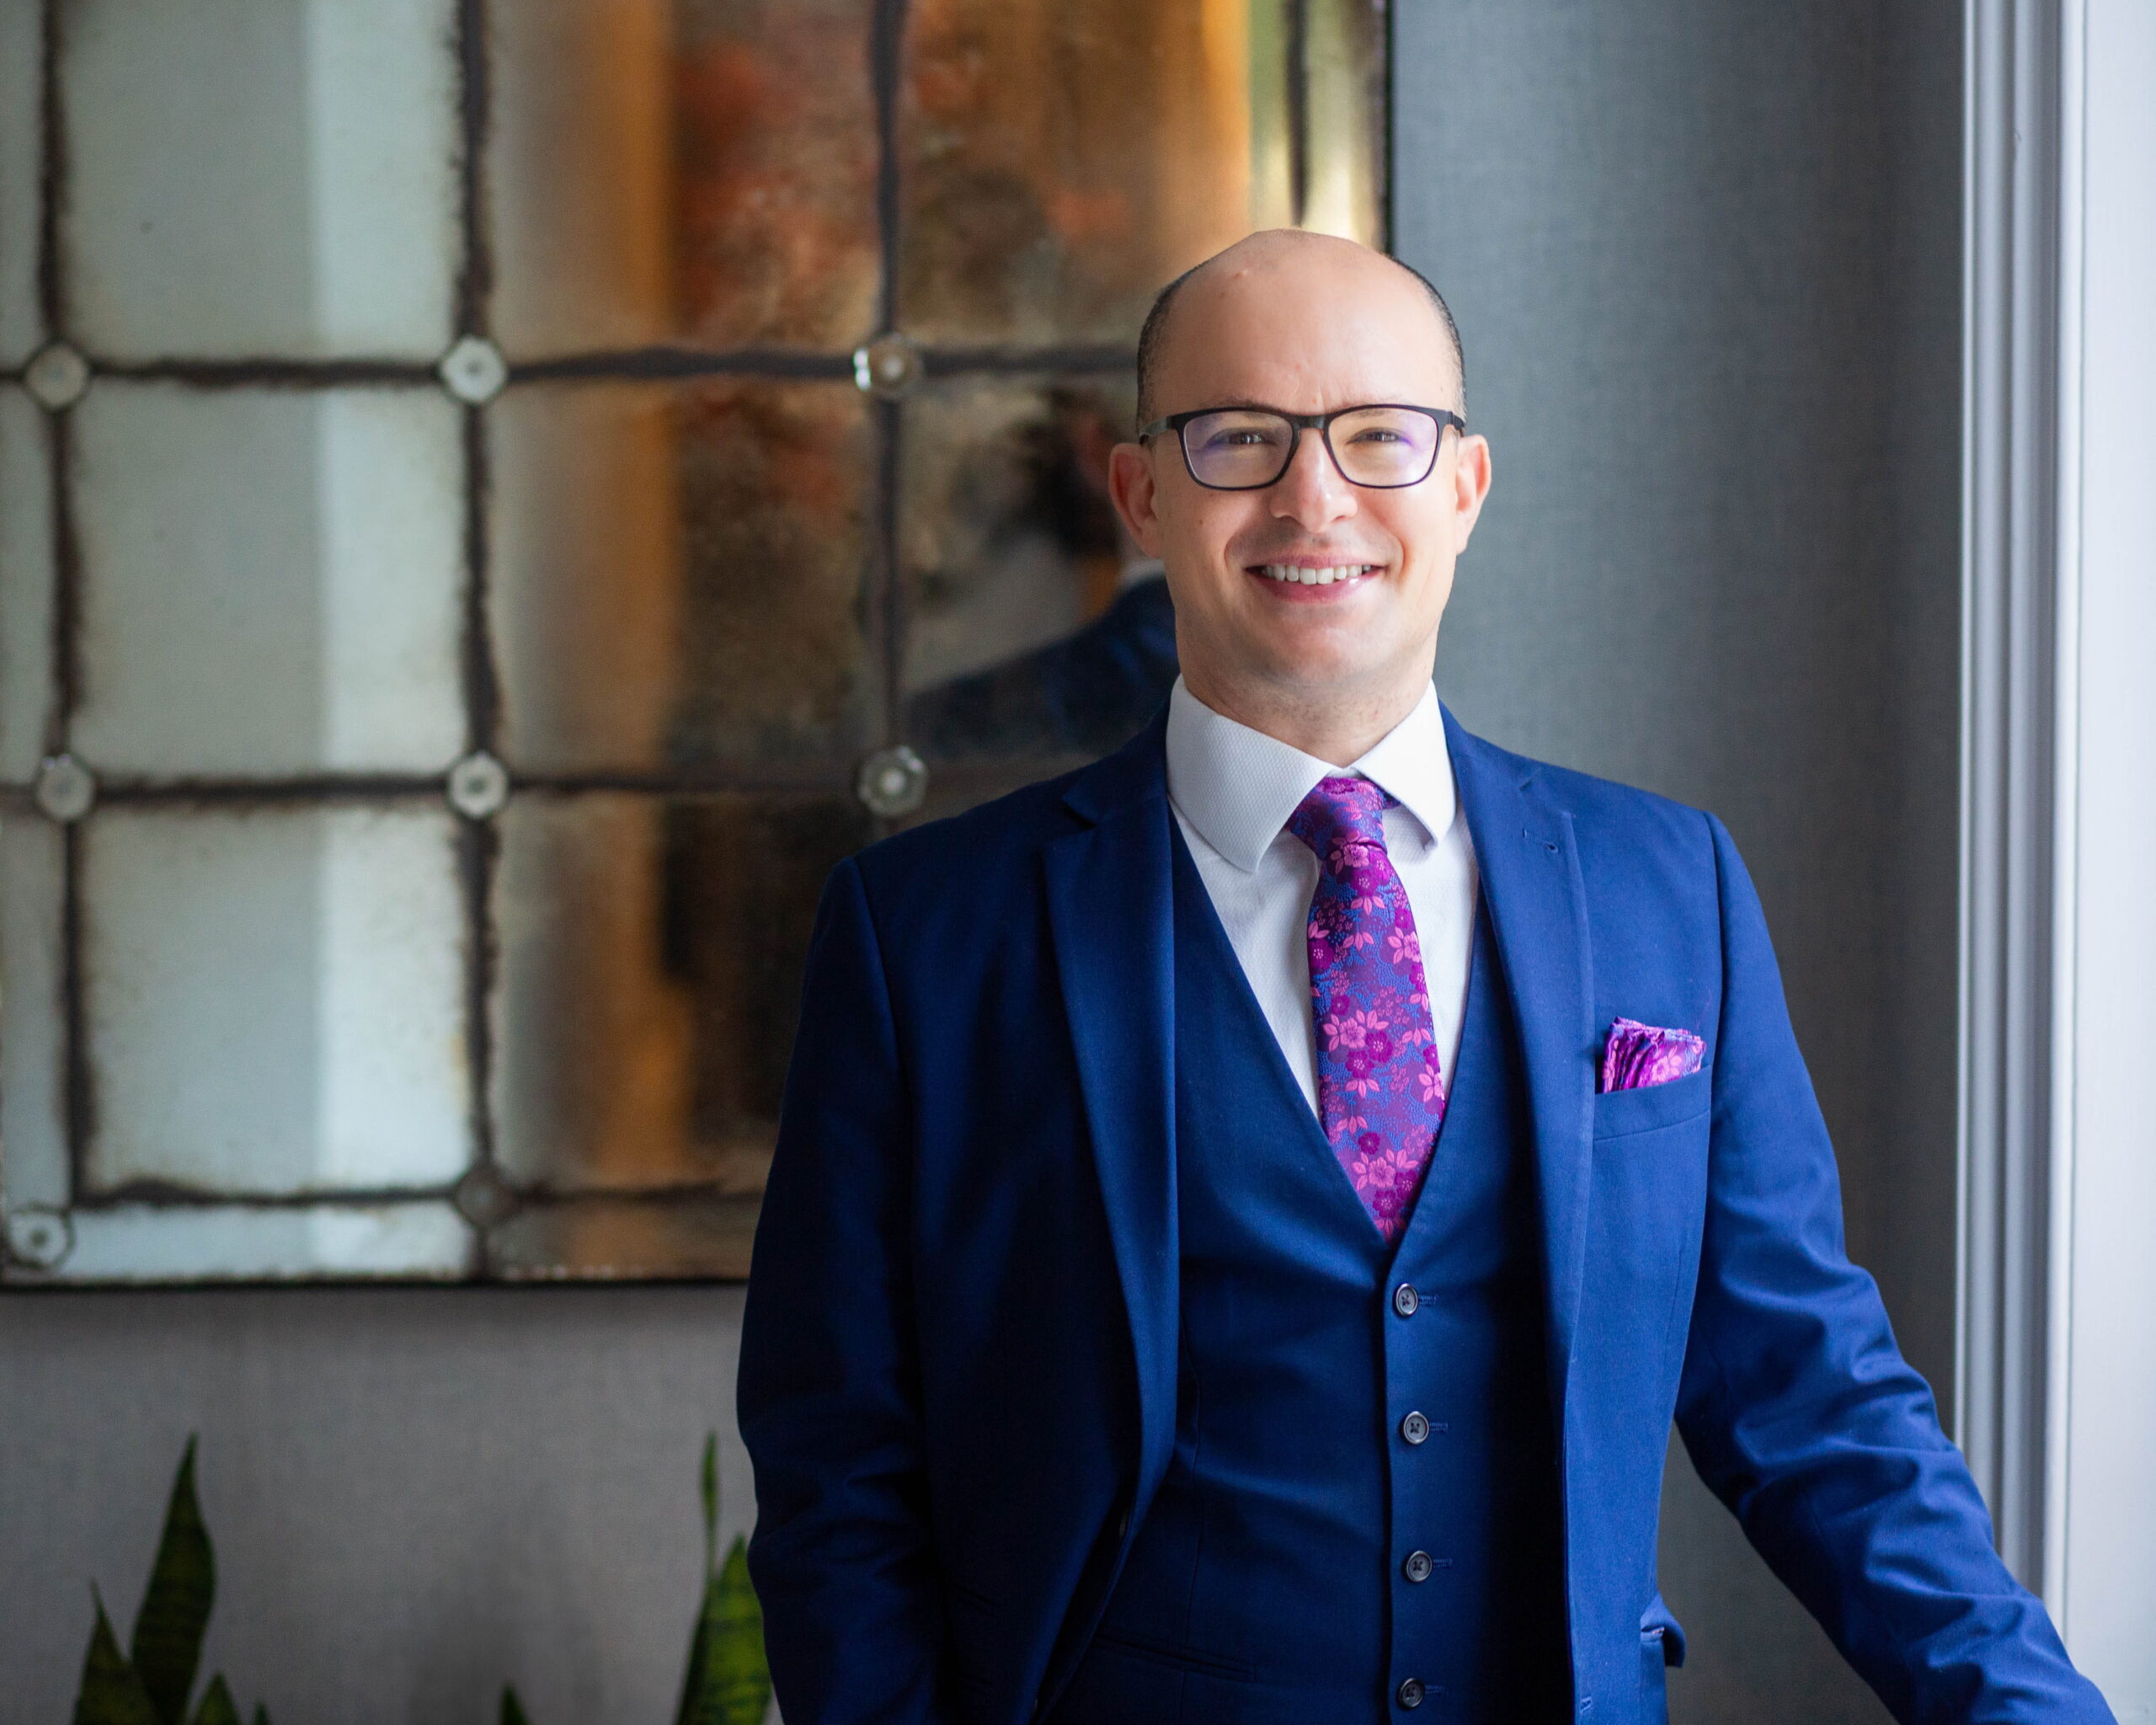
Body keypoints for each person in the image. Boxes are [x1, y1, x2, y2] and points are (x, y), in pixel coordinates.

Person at [738, 230, 2113, 1724]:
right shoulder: (922, 935)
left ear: (1464, 487)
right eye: (1239, 438)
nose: (1314, 498)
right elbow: (839, 1475)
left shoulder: (1671, 888)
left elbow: (1816, 1397)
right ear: (1141, 494)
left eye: (1381, 437)